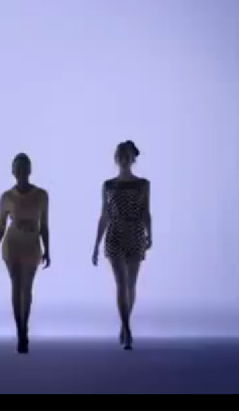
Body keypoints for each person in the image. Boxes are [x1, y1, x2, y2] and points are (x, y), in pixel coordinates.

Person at [0, 153, 50, 354]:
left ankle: (25, 326)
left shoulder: (41, 195)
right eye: (18, 168)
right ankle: (20, 331)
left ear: (29, 170)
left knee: (27, 287)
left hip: (32, 243)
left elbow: (44, 225)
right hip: (12, 243)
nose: (21, 172)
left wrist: (48, 249)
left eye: (24, 167)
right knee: (16, 286)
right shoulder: (7, 197)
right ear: (13, 171)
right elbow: (0, 227)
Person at [92, 140, 152, 350]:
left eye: (127, 156)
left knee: (131, 284)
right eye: (121, 156)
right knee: (121, 284)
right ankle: (127, 329)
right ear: (116, 159)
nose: (124, 159)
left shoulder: (143, 184)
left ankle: (124, 325)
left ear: (133, 159)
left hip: (135, 234)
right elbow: (104, 215)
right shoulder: (108, 185)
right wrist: (96, 244)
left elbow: (145, 211)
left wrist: (150, 234)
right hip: (115, 235)